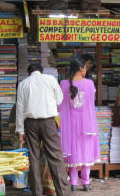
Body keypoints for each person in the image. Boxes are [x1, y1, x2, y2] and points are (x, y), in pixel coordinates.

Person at [16, 64, 71, 196]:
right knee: (55, 157)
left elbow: (20, 108)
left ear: (29, 72)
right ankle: (63, 192)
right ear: (41, 71)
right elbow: (59, 100)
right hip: (48, 122)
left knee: (33, 158)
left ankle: (37, 193)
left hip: (30, 124)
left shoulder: (23, 84)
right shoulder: (50, 79)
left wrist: (20, 131)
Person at [59, 58, 100, 191]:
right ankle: (86, 182)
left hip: (69, 125)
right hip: (86, 124)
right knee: (86, 151)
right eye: (85, 68)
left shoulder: (63, 84)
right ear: (81, 68)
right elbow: (90, 105)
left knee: (73, 153)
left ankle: (73, 183)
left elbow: (60, 105)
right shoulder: (89, 84)